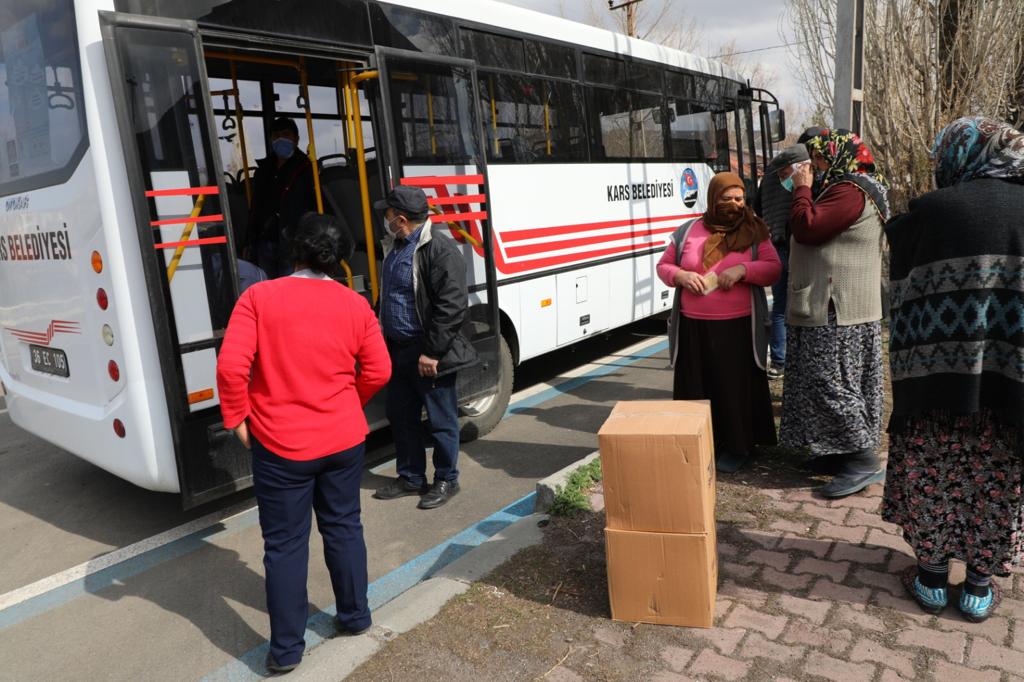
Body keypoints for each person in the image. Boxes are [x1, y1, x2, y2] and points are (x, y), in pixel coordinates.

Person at [216, 212, 391, 673]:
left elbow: (231, 368)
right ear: (339, 258)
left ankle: (287, 651)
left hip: (280, 445)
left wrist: (237, 418)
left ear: (294, 249)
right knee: (344, 527)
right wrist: (348, 403)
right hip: (343, 440)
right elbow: (379, 370)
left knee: (285, 546)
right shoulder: (354, 303)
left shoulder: (258, 297)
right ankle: (355, 616)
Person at [882, 116, 1024, 622]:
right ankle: (979, 586)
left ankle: (932, 577)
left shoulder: (934, 209)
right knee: (997, 476)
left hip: (936, 383)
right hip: (1010, 385)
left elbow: (901, 285)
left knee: (934, 470)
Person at [778, 129, 890, 498]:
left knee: (830, 382)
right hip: (828, 305)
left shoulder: (850, 190)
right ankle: (837, 451)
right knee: (826, 380)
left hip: (836, 308)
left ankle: (861, 460)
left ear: (838, 155)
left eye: (818, 158)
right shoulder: (844, 187)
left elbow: (807, 228)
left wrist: (801, 189)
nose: (812, 166)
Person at [658, 172, 782, 473]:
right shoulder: (688, 231)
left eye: (739, 198)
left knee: (732, 389)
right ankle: (697, 444)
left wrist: (743, 270)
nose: (734, 204)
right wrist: (680, 276)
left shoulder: (755, 231)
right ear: (713, 199)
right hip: (693, 328)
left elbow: (773, 268)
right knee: (697, 388)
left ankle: (738, 447)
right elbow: (664, 265)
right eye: (726, 198)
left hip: (737, 328)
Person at [372, 186, 479, 509]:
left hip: (428, 351)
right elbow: (389, 297)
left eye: (388, 214)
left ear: (401, 219)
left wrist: (432, 352)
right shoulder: (395, 247)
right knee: (401, 415)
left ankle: (446, 479)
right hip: (398, 349)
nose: (385, 219)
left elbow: (452, 306)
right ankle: (411, 477)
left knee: (441, 420)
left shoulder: (440, 251)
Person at [754, 143, 810, 379]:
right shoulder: (800, 180)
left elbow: (757, 207)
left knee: (779, 306)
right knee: (800, 305)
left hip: (774, 246)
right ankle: (797, 359)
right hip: (793, 246)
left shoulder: (768, 178)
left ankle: (779, 361)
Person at [247, 117, 317, 278]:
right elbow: (255, 207)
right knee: (269, 286)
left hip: (295, 242)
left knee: (292, 286)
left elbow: (312, 206)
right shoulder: (263, 170)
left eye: (286, 134)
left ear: (296, 139)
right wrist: (249, 241)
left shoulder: (307, 168)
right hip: (266, 240)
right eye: (276, 136)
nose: (280, 139)